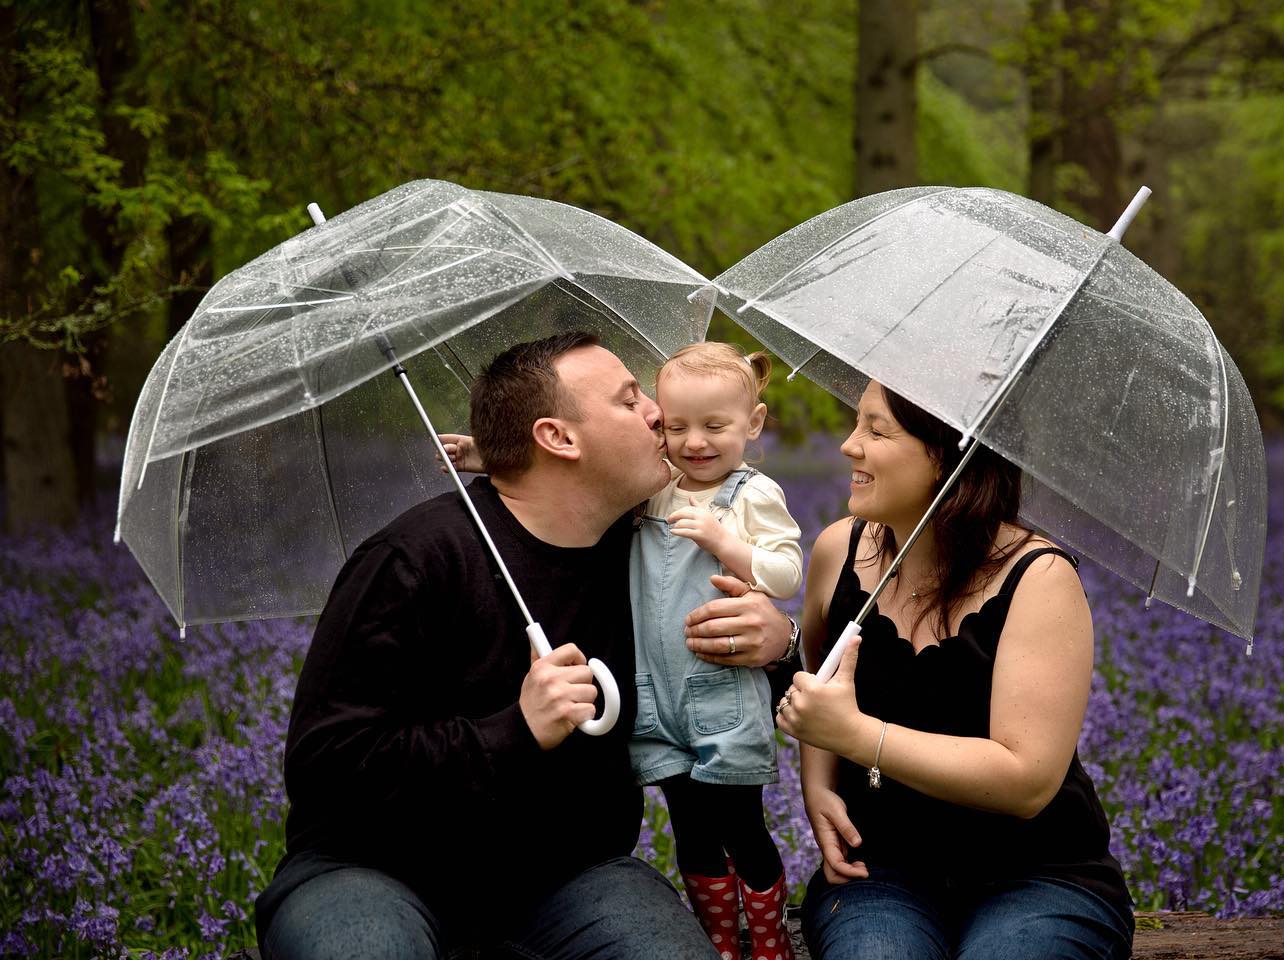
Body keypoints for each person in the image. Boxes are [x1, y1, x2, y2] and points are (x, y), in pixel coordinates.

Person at [255, 331, 794, 960]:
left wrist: (778, 644)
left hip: (567, 875)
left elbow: (727, 674)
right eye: (628, 401)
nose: (657, 413)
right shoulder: (413, 561)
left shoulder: (643, 542)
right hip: (372, 869)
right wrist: (515, 731)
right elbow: (327, 764)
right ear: (558, 438)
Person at [774, 382, 1134, 960]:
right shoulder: (840, 551)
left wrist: (859, 737)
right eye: (855, 424)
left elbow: (1027, 781)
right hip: (880, 871)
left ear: (950, 452)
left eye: (875, 429)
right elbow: (822, 685)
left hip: (1037, 877)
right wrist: (817, 783)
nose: (848, 445)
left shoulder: (1038, 580)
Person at [630, 343, 803, 960]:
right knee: (691, 830)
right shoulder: (655, 490)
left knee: (742, 825)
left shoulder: (752, 494)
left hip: (723, 688)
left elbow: (784, 576)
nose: (694, 442)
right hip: (660, 692)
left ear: (752, 424)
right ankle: (719, 941)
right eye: (676, 427)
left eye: (715, 426)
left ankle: (770, 936)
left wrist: (726, 543)